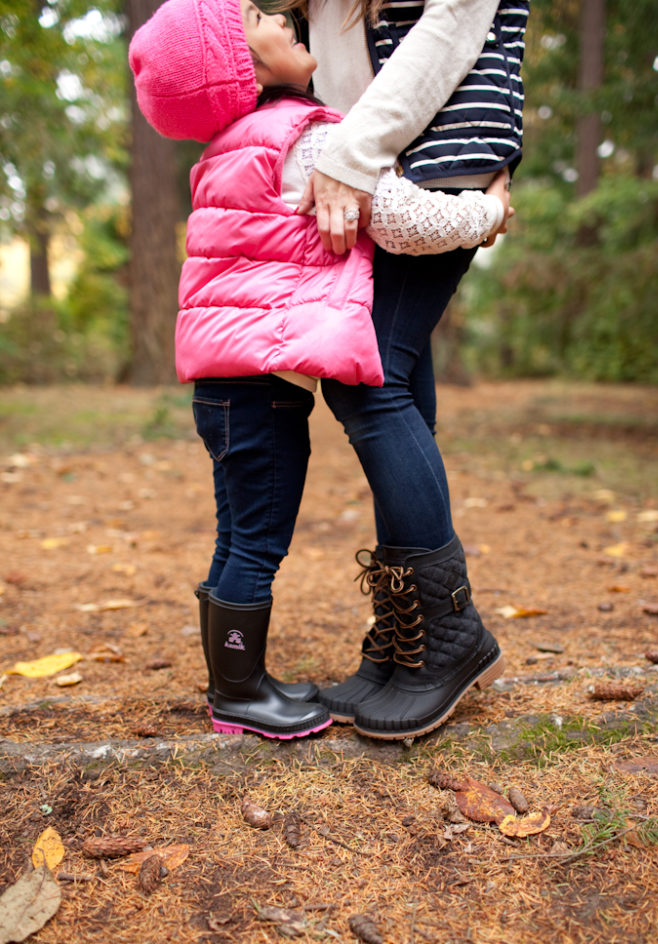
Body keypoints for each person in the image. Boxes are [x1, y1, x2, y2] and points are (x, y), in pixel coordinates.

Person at [129, 0, 513, 741]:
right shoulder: (302, 138)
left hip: (224, 385)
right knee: (257, 539)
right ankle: (242, 690)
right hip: (264, 389)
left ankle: (247, 679)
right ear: (247, 65)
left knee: (237, 531)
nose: (281, 15)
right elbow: (399, 218)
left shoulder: (223, 150)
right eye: (257, 17)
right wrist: (483, 214)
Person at [283, 0, 529, 740]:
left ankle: (448, 634)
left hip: (435, 154)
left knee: (369, 379)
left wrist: (347, 156)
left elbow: (449, 32)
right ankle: (406, 638)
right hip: (386, 162)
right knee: (396, 375)